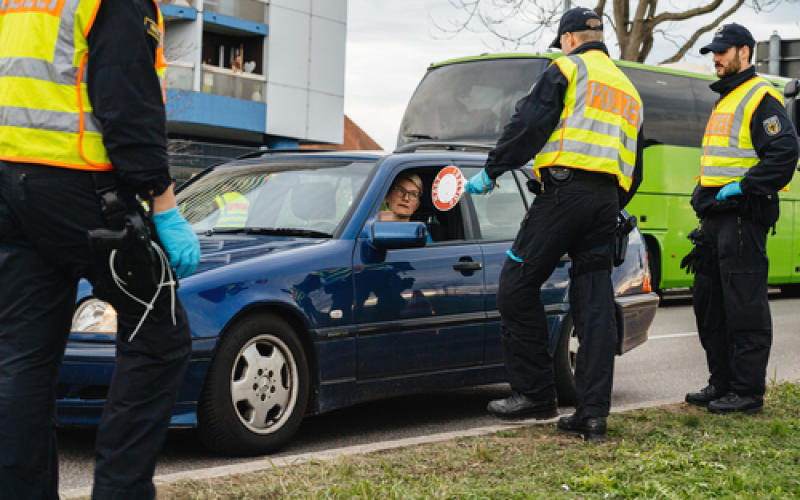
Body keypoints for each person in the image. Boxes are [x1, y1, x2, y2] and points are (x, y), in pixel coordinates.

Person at [0, 2, 201, 499]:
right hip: (81, 189)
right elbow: (128, 102)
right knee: (161, 334)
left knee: (23, 356)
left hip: (9, 187)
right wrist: (164, 204)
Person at [466, 7, 644, 441]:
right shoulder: (628, 88)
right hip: (606, 201)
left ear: (567, 38)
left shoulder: (567, 68)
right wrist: (610, 200)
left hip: (564, 194)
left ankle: (534, 393)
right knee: (594, 303)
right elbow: (634, 163)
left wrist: (493, 168)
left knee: (516, 283)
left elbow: (529, 122)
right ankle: (592, 414)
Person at [682, 24, 799, 414]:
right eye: (713, 52)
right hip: (716, 218)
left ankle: (747, 392)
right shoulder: (728, 98)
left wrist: (742, 187)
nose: (715, 58)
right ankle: (722, 383)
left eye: (722, 51)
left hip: (742, 217)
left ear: (744, 52)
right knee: (710, 304)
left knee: (744, 307)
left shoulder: (761, 97)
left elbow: (783, 155)